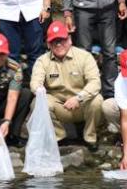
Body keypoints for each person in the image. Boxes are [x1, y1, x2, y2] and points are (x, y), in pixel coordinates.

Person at [30, 21, 103, 150]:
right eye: (54, 41)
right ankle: (59, 138)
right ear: (48, 44)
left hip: (80, 103)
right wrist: (39, 89)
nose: (58, 44)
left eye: (62, 40)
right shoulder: (42, 61)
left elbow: (95, 82)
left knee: (97, 100)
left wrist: (79, 98)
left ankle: (90, 137)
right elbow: (35, 82)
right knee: (37, 102)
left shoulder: (85, 57)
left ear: (69, 40)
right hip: (58, 105)